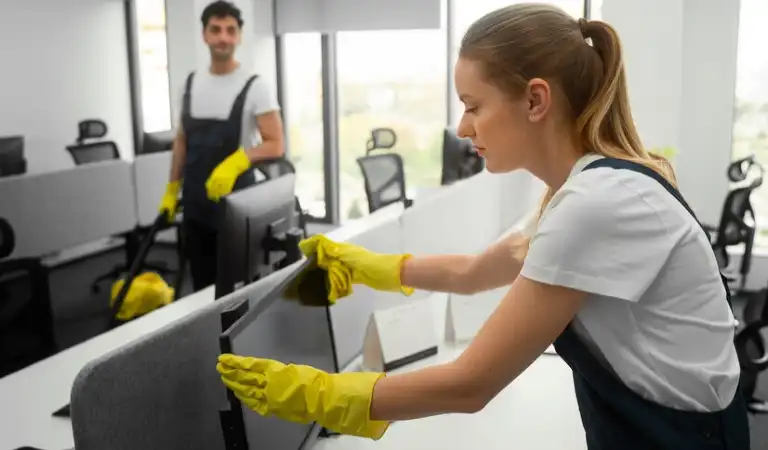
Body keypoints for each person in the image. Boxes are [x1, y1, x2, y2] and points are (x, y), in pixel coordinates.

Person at [215, 4, 750, 449]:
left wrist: (321, 395)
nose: (462, 126)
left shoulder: (597, 203)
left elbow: (471, 384)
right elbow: (476, 272)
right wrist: (367, 266)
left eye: (474, 105)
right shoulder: (579, 190)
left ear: (536, 100)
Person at [158, 0, 284, 292]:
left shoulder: (255, 86)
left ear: (239, 36)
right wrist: (171, 190)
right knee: (201, 284)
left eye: (230, 30)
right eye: (216, 30)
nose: (223, 37)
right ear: (204, 35)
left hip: (237, 203)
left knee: (237, 287)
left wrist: (238, 160)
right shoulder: (190, 83)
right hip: (195, 203)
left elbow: (276, 144)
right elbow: (182, 141)